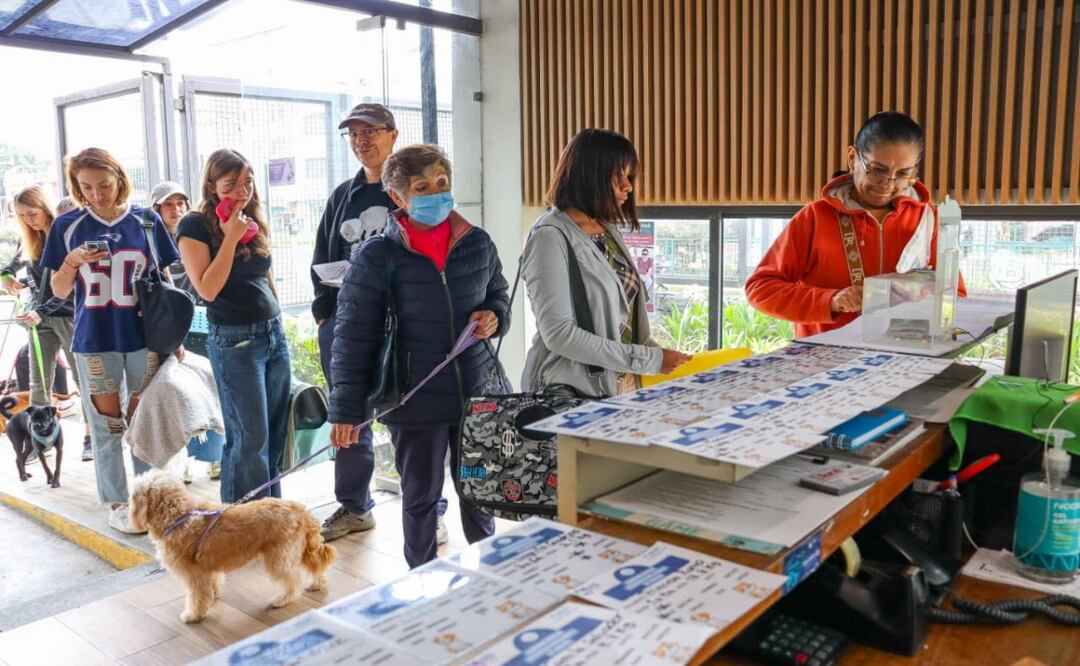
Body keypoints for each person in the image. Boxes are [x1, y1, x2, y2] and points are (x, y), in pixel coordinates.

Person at [328, 144, 509, 568]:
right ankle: (422, 582)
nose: (436, 194)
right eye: (422, 187)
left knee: (479, 492)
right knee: (422, 499)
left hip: (475, 393)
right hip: (414, 400)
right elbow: (353, 337)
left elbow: (499, 294)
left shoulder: (477, 243)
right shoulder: (376, 257)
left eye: (442, 184)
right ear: (398, 198)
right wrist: (346, 410)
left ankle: (489, 575)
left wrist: (494, 317)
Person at [43, 147, 180, 533]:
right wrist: (71, 263)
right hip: (94, 339)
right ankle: (118, 502)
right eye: (86, 187)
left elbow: (165, 281)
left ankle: (148, 498)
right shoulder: (67, 225)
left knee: (142, 421)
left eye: (104, 184)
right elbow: (57, 288)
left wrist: (175, 335)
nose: (97, 194)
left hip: (143, 336)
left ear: (120, 178)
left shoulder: (147, 221)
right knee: (107, 425)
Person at [744, 111, 966, 337]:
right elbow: (760, 289)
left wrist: (923, 294)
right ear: (852, 158)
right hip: (827, 361)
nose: (887, 184)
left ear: (915, 171)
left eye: (902, 173)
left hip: (905, 360)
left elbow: (956, 296)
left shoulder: (930, 221)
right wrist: (831, 300)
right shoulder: (814, 218)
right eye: (877, 170)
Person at [521, 129, 692, 397]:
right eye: (618, 177)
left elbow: (623, 324)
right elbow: (560, 335)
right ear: (589, 176)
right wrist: (650, 360)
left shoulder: (606, 228)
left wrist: (662, 357)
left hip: (618, 389)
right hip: (571, 393)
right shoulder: (549, 237)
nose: (628, 187)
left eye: (629, 176)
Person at [177, 149, 291, 503]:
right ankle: (243, 523)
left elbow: (265, 273)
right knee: (249, 438)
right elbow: (207, 288)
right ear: (212, 187)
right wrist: (229, 238)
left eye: (248, 181)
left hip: (272, 334)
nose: (243, 192)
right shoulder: (194, 225)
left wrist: (278, 317)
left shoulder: (251, 216)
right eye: (232, 185)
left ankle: (270, 516)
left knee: (273, 435)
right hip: (235, 341)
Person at [311, 103, 397, 542]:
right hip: (345, 325)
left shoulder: (408, 190)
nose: (363, 141)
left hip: (399, 325)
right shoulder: (343, 195)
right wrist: (324, 315)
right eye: (355, 135)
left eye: (371, 132)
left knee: (407, 416)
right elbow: (322, 257)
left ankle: (430, 506)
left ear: (392, 135)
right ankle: (354, 506)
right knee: (350, 417)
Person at [149, 180, 223, 484]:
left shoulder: (198, 231)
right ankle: (187, 460)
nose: (176, 209)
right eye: (168, 205)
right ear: (157, 210)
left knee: (211, 389)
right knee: (182, 395)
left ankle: (216, 457)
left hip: (206, 323)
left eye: (180, 203)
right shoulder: (152, 243)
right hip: (173, 329)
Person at [10, 186, 92, 460]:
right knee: (38, 383)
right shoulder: (29, 239)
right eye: (23, 216)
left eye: (32, 213)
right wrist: (7, 279)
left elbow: (65, 288)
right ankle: (39, 441)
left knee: (83, 380)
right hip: (40, 319)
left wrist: (41, 311)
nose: (30, 220)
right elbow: (7, 268)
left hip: (67, 315)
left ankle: (91, 437)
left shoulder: (62, 234)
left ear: (44, 207)